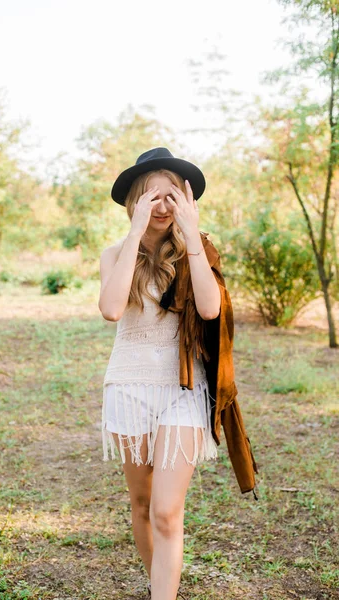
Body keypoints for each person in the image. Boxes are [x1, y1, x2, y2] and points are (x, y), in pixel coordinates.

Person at [98, 148, 257, 600]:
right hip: (128, 389)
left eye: (173, 197)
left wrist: (190, 238)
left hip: (183, 391)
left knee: (167, 512)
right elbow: (111, 309)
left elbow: (209, 307)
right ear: (135, 202)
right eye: (153, 197)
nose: (163, 207)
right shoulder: (114, 255)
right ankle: (158, 587)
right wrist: (133, 235)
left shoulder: (197, 252)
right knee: (143, 503)